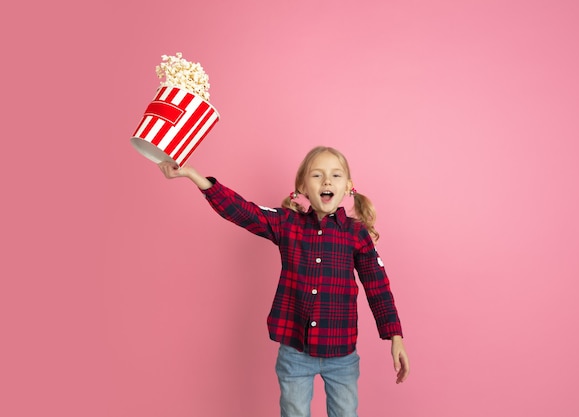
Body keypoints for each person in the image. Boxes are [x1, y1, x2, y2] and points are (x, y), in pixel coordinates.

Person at [158, 146, 409, 417]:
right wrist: (195, 176)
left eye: (335, 175)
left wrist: (394, 336)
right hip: (295, 352)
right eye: (317, 175)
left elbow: (378, 286)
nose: (326, 181)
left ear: (348, 186)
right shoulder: (287, 223)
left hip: (342, 355)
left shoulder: (356, 234)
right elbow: (244, 212)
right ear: (302, 186)